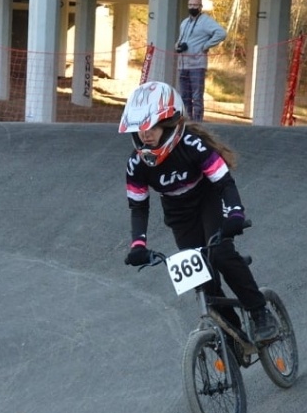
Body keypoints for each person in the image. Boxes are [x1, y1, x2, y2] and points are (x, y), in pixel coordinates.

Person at [119, 80, 278, 342]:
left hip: (208, 200)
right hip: (179, 214)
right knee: (201, 278)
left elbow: (225, 183)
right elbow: (138, 206)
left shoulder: (193, 146)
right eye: (139, 129)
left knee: (221, 253)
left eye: (151, 127)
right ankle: (232, 332)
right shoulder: (136, 164)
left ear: (169, 123)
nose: (145, 135)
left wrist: (235, 215)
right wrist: (138, 245)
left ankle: (260, 312)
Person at [174, 0, 226, 121]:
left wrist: (206, 46)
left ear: (200, 7)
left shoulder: (205, 21)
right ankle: (187, 122)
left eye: (195, 5)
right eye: (190, 5)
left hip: (197, 65)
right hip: (183, 64)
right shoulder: (185, 23)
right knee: (184, 96)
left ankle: (198, 123)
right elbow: (181, 39)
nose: (192, 7)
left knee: (197, 97)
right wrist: (177, 45)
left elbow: (222, 33)